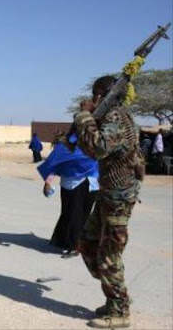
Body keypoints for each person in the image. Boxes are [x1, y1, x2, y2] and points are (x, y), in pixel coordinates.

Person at [75, 75, 144, 329]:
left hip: (118, 197)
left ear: (102, 96)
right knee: (87, 243)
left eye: (95, 95)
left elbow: (98, 148)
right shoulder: (113, 116)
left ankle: (120, 309)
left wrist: (84, 117)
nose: (92, 100)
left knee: (108, 255)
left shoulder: (116, 116)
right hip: (108, 195)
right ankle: (115, 290)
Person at [39, 133, 99, 258]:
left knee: (83, 216)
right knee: (71, 215)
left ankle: (77, 244)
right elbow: (55, 163)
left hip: (92, 185)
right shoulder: (65, 146)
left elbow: (108, 165)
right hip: (72, 185)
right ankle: (70, 244)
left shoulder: (97, 144)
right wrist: (48, 182)